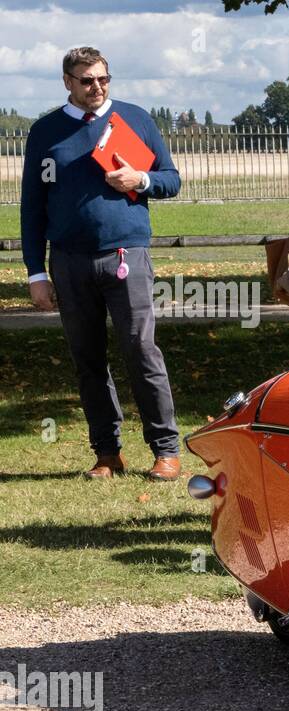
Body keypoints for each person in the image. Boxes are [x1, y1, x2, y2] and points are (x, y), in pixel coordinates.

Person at [21, 47, 183, 481]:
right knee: (88, 359)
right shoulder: (45, 132)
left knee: (141, 351)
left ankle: (166, 450)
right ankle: (107, 453)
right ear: (67, 82)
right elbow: (32, 207)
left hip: (125, 256)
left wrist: (141, 180)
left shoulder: (136, 119)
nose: (97, 87)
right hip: (69, 262)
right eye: (87, 80)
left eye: (104, 79)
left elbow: (172, 179)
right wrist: (36, 272)